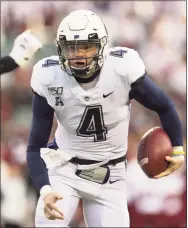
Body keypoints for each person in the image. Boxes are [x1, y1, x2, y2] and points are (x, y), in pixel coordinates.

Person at [26, 10, 185, 227]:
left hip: (111, 175)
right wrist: (45, 190)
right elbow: (35, 147)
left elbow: (164, 106)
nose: (78, 55)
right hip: (64, 170)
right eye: (71, 48)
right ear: (60, 48)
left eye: (86, 46)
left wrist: (178, 147)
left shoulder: (121, 68)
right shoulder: (49, 76)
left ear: (102, 46)